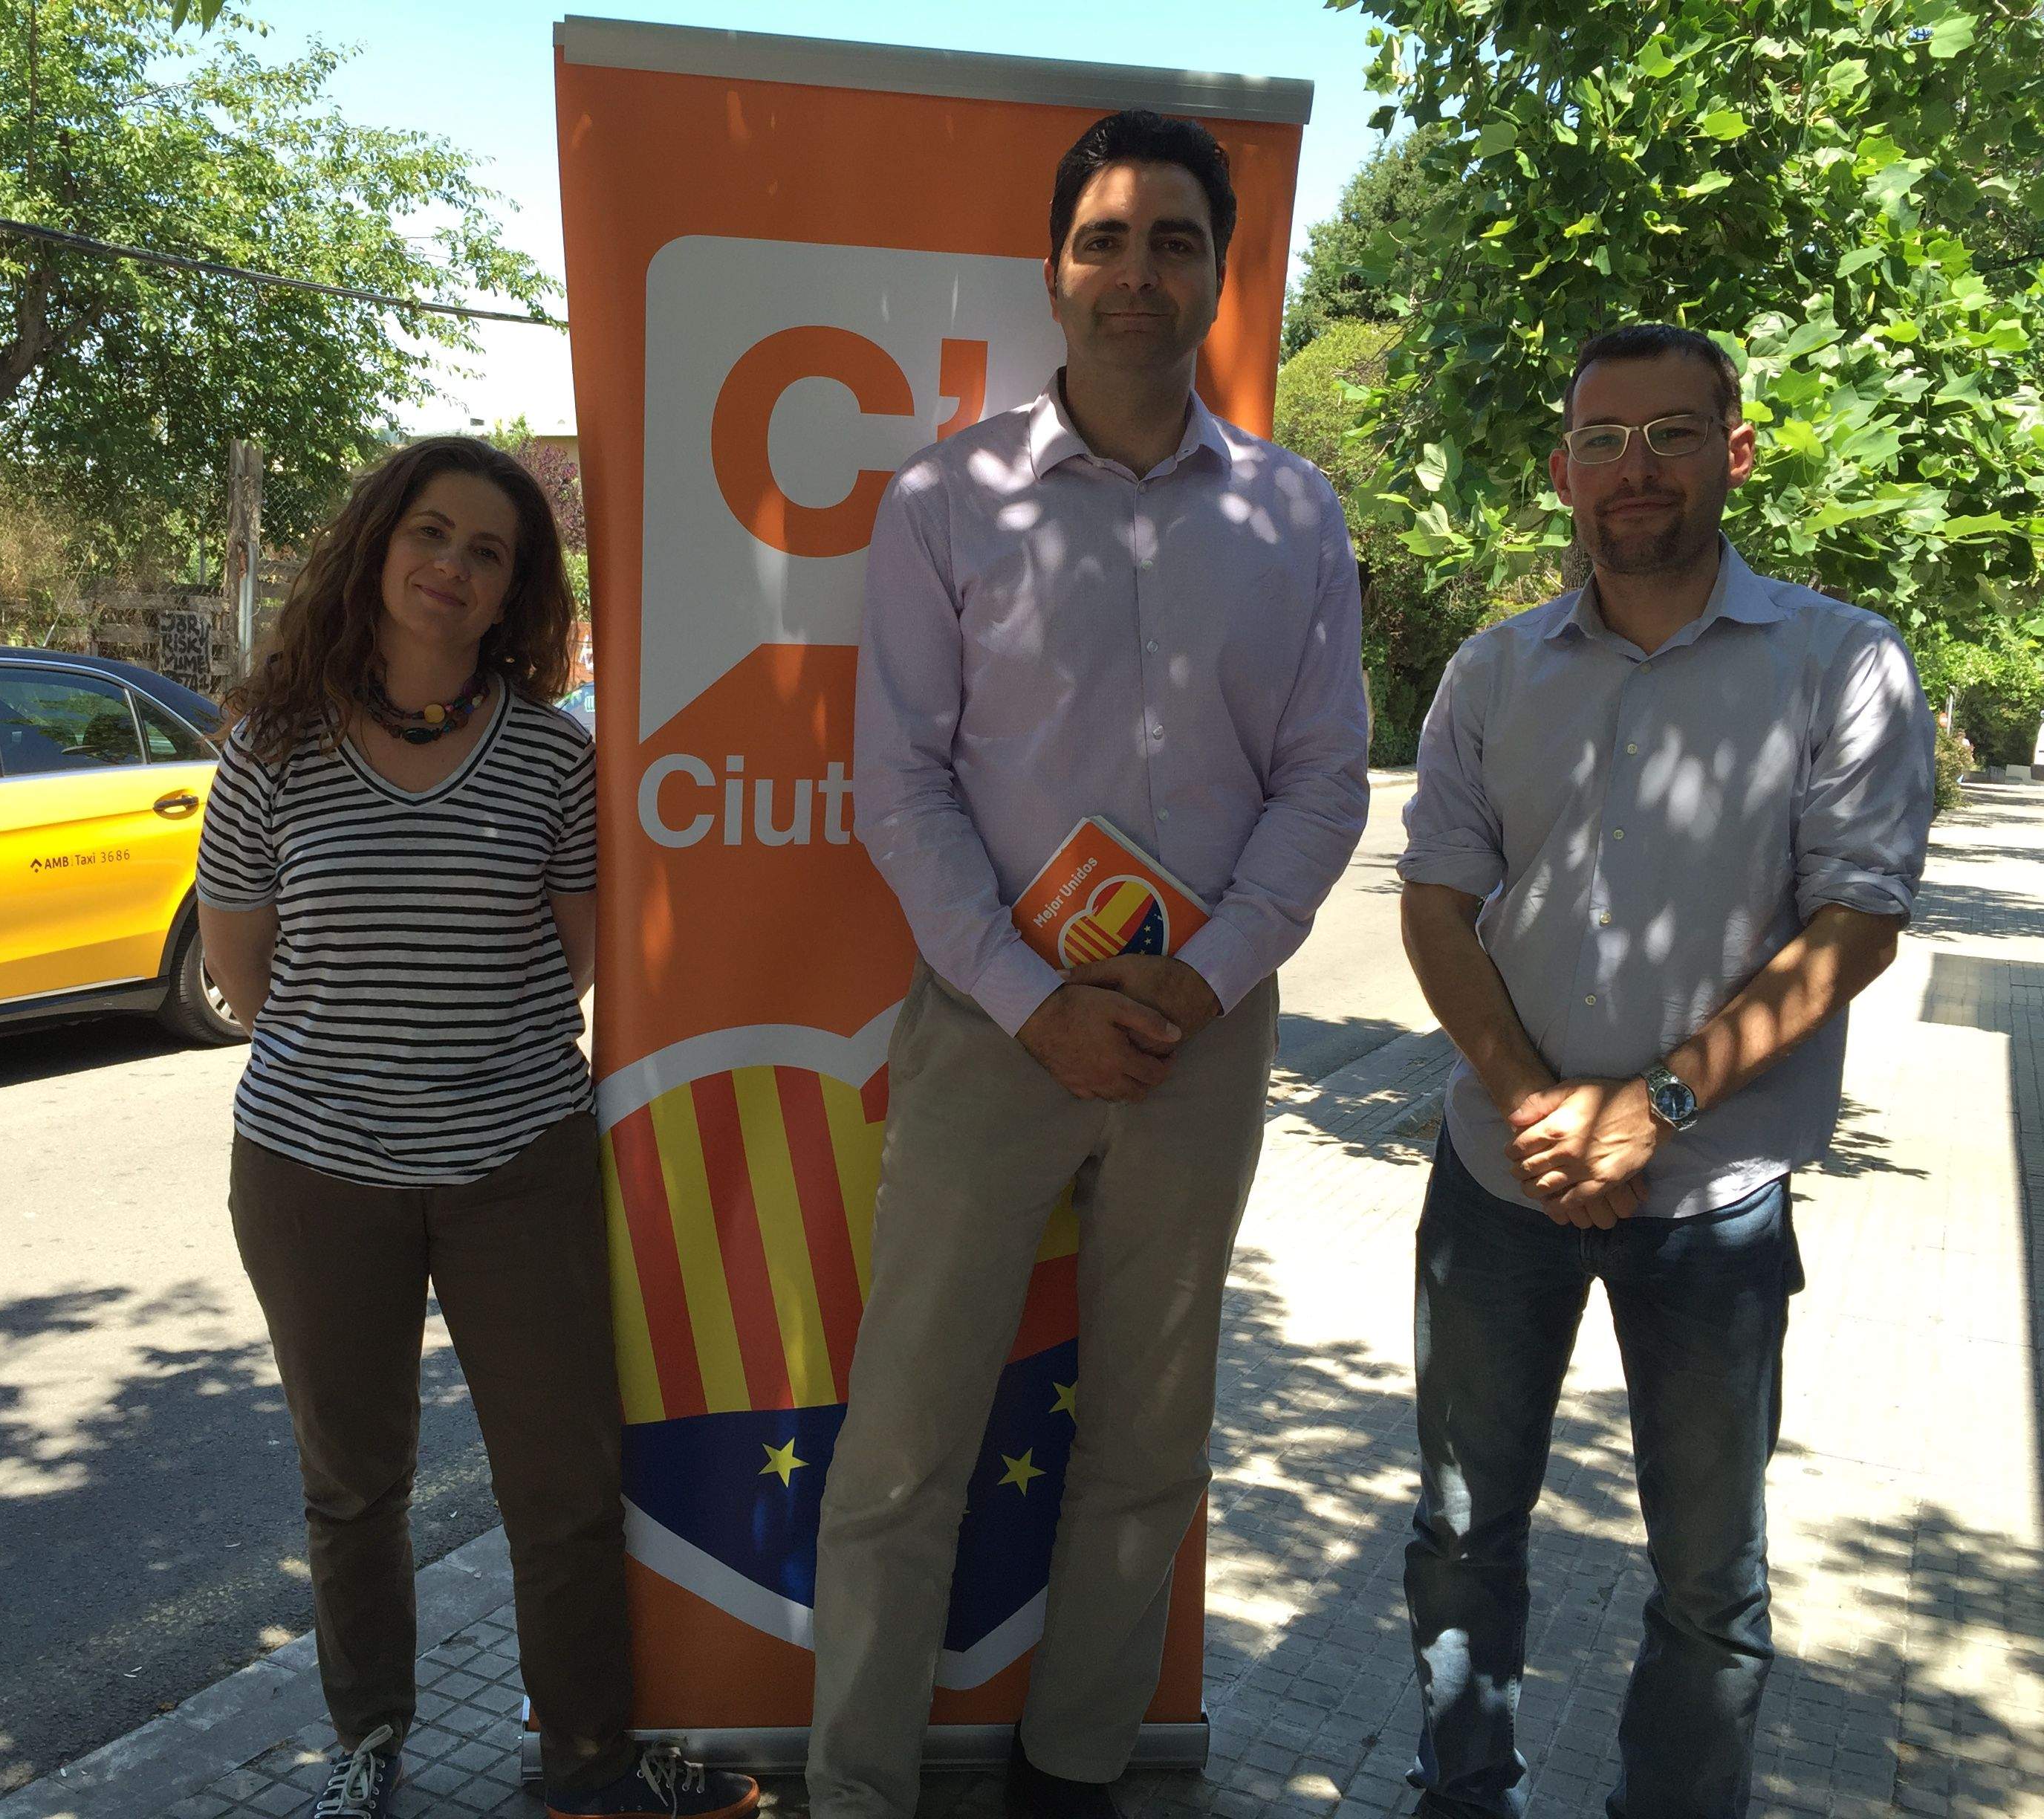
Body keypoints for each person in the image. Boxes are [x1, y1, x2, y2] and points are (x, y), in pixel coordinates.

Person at [809, 110, 1371, 1819]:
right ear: (1053, 269)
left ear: (1220, 271)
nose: (1138, 273)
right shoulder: (942, 499)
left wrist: (1197, 980)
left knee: (1148, 1431)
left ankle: (1074, 1768)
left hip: (1199, 1033)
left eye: (1175, 241)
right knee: (905, 1432)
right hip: (994, 1024)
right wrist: (1028, 992)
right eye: (1106, 239)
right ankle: (857, 1783)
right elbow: (895, 778)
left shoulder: (1291, 514)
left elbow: (1324, 783)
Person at [1395, 323, 1934, 1818]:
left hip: (1714, 1201)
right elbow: (1436, 901)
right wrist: (1524, 1092)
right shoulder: (1494, 673)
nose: (1637, 468)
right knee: (1458, 1536)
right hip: (1503, 1179)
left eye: (1674, 434)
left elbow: (1858, 921)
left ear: (1736, 452)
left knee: (1708, 1581)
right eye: (1606, 438)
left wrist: (1657, 1106)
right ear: (1564, 468)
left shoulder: (1843, 662)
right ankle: (1462, 1796)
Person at [195, 436, 758, 1819]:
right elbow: (245, 975)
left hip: (518, 1163)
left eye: (487, 552)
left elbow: (573, 960)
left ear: (514, 594)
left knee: (562, 1483)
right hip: (315, 1172)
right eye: (429, 534)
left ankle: (584, 1759)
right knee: (353, 1486)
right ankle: (368, 1743)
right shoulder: (271, 745)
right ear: (377, 548)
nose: (451, 566)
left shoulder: (552, 760)